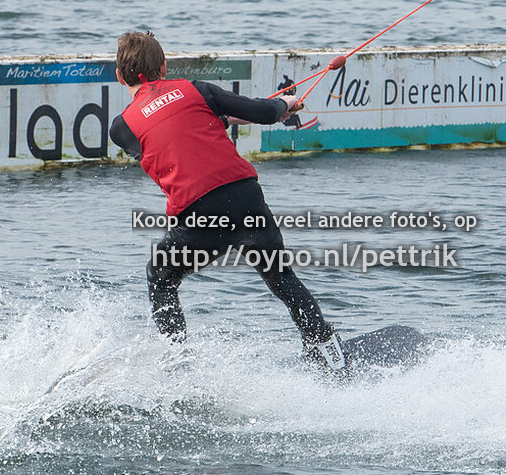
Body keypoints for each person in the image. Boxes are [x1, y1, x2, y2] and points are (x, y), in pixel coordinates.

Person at [109, 31, 347, 371]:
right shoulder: (197, 90)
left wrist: (271, 108)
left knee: (160, 276)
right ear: (164, 65)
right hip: (245, 197)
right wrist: (282, 106)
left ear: (119, 77)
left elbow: (169, 132)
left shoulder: (121, 128)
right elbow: (259, 112)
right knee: (281, 277)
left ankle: (178, 366)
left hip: (199, 215)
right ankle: (327, 351)